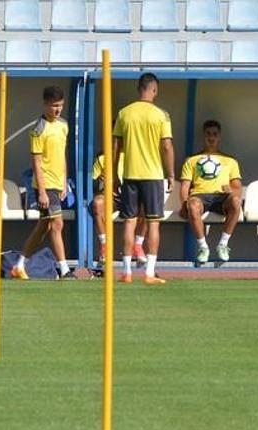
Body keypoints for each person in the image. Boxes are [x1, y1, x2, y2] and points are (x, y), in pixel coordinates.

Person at [112, 72, 175, 285]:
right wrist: (171, 174)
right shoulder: (161, 115)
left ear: (139, 88)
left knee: (129, 223)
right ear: (154, 90)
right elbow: (166, 146)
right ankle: (149, 273)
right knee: (153, 223)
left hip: (130, 174)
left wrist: (113, 174)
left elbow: (115, 147)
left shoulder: (124, 113)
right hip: (153, 176)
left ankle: (127, 272)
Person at [10, 86, 74, 280]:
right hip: (44, 184)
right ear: (45, 104)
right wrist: (42, 191)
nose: (58, 109)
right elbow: (36, 161)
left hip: (57, 183)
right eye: (54, 105)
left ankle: (19, 265)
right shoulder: (39, 129)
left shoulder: (63, 125)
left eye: (61, 105)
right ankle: (64, 270)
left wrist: (64, 182)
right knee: (57, 224)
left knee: (44, 227)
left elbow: (62, 154)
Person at [179, 120, 243, 266]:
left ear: (219, 136)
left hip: (221, 197)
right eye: (208, 134)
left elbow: (238, 187)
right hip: (200, 196)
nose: (211, 137)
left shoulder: (230, 160)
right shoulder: (192, 160)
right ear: (203, 136)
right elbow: (185, 186)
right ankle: (203, 247)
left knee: (236, 201)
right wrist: (184, 204)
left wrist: (231, 191)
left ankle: (223, 244)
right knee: (193, 205)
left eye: (214, 134)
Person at [90, 150, 148, 272]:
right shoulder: (102, 159)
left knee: (148, 205)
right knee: (98, 203)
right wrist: (101, 182)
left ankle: (137, 246)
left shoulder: (136, 156)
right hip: (112, 198)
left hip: (132, 196)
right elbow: (92, 183)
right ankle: (105, 246)